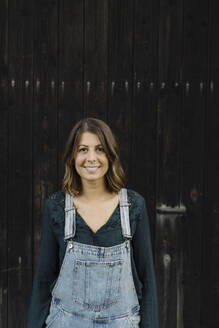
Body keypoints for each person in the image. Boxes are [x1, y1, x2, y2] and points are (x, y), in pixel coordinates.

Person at [27, 117, 159, 328]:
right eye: (82, 149)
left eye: (99, 149)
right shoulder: (57, 207)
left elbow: (148, 281)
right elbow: (43, 282)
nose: (91, 158)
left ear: (111, 155)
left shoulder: (133, 206)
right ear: (72, 156)